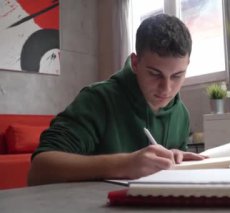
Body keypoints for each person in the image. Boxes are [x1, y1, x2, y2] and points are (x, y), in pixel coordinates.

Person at [28, 14, 206, 186]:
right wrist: (124, 164)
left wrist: (174, 158)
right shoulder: (98, 100)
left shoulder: (181, 113)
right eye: (154, 74)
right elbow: (40, 169)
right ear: (135, 63)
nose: (167, 89)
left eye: (177, 76)